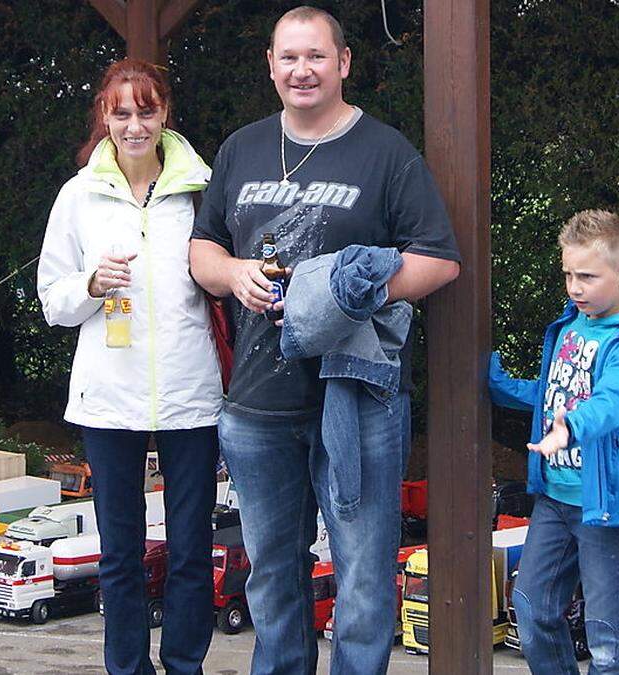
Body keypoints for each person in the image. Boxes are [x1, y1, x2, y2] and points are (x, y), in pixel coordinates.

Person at [188, 7, 460, 674]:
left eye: (315, 56)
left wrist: (349, 293)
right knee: (272, 579)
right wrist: (232, 273)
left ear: (342, 63)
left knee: (364, 582)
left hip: (359, 402)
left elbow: (439, 261)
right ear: (271, 65)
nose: (301, 70)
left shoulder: (386, 152)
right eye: (289, 57)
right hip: (255, 406)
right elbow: (202, 248)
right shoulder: (241, 148)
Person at [37, 58, 223, 675]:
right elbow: (52, 300)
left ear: (165, 112)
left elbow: (225, 279)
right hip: (108, 399)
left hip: (191, 395)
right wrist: (90, 284)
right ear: (104, 117)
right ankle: (127, 669)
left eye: (146, 111)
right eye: (122, 113)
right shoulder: (77, 196)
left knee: (192, 548)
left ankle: (184, 665)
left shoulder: (203, 189)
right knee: (118, 553)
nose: (135, 125)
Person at [491, 210, 619, 674]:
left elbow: (610, 403)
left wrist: (569, 427)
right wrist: (499, 386)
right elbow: (552, 393)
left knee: (609, 633)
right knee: (532, 607)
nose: (574, 287)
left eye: (587, 276)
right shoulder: (571, 325)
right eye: (568, 274)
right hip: (556, 499)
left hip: (608, 506)